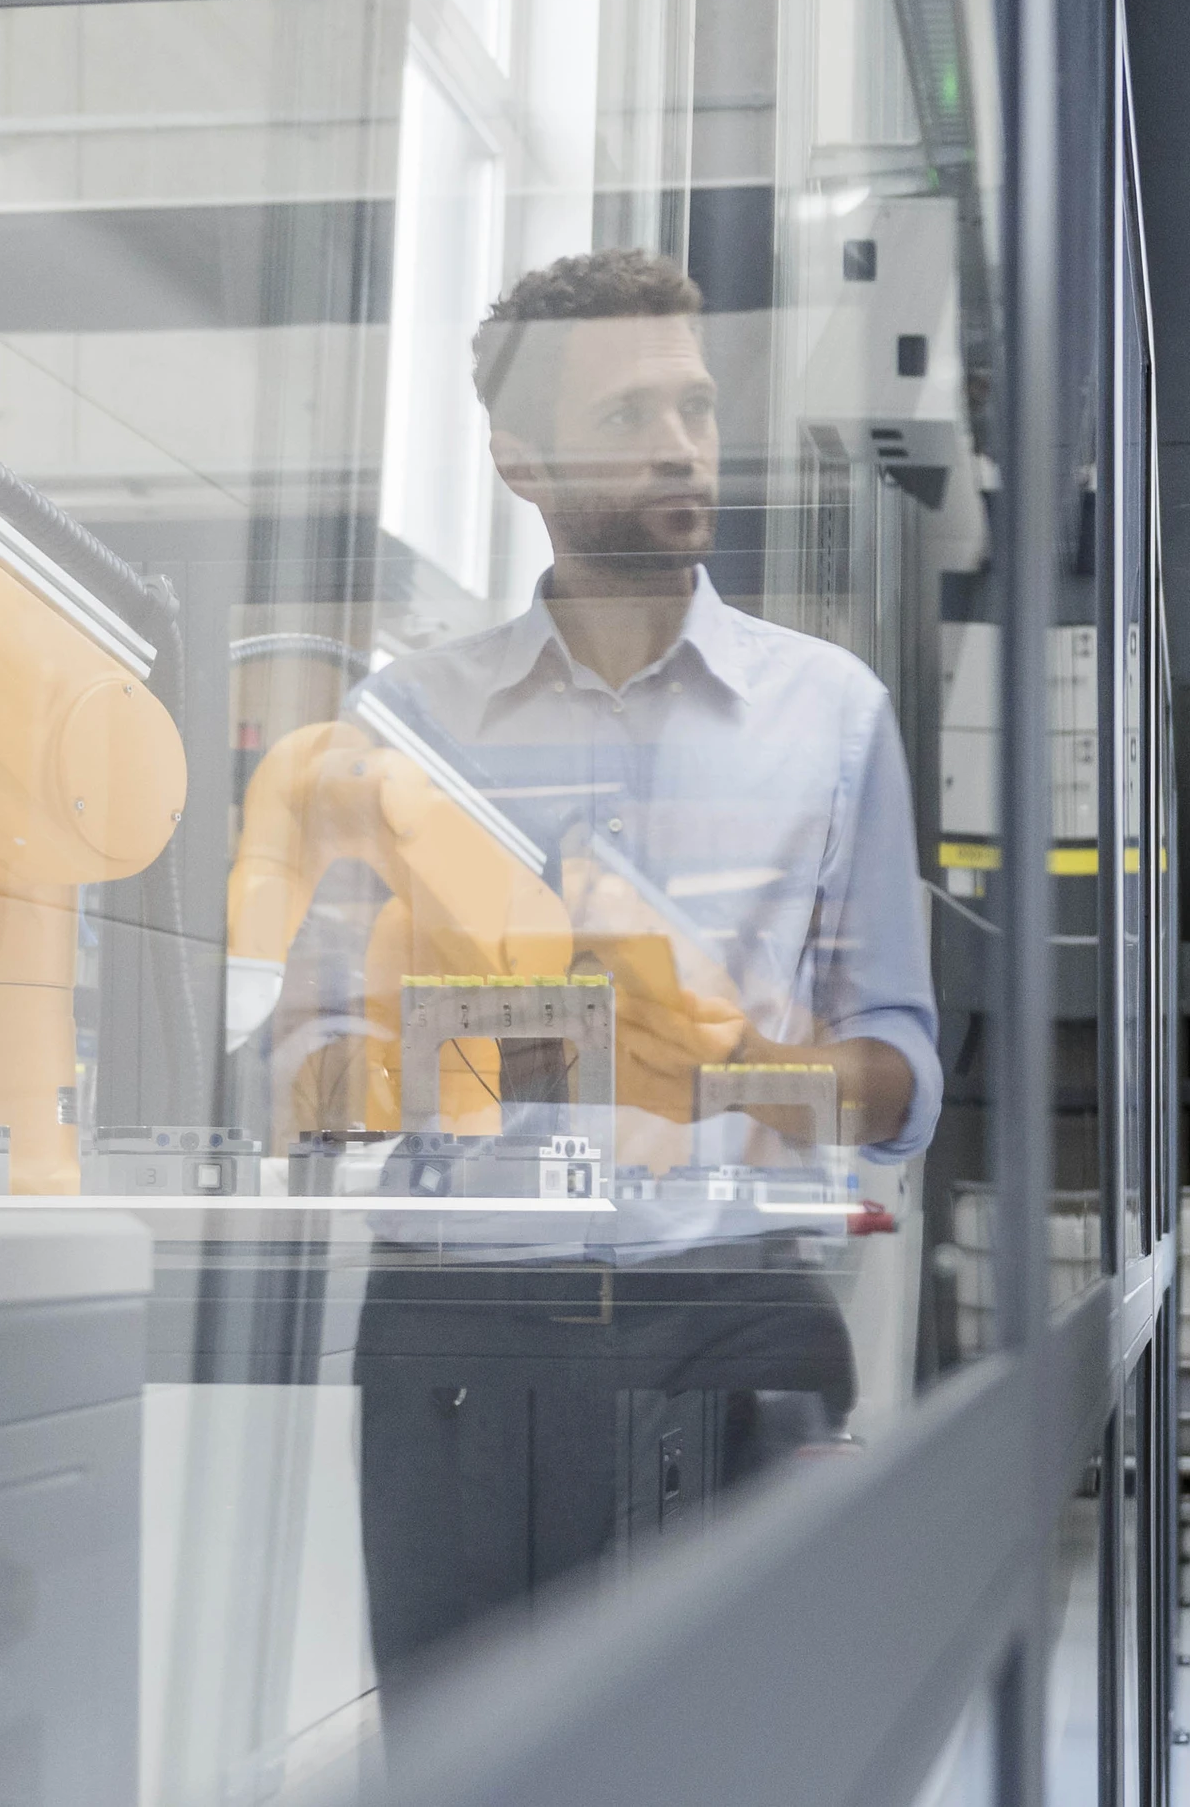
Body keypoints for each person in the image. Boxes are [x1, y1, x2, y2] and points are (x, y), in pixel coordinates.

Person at [335, 247, 940, 1694]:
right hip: (463, 1337)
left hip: (736, 1310)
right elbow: (326, 1067)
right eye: (628, 415)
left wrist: (732, 1066)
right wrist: (576, 1037)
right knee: (465, 1766)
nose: (679, 445)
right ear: (520, 456)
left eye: (695, 406)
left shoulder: (831, 717)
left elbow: (901, 1077)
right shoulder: (407, 725)